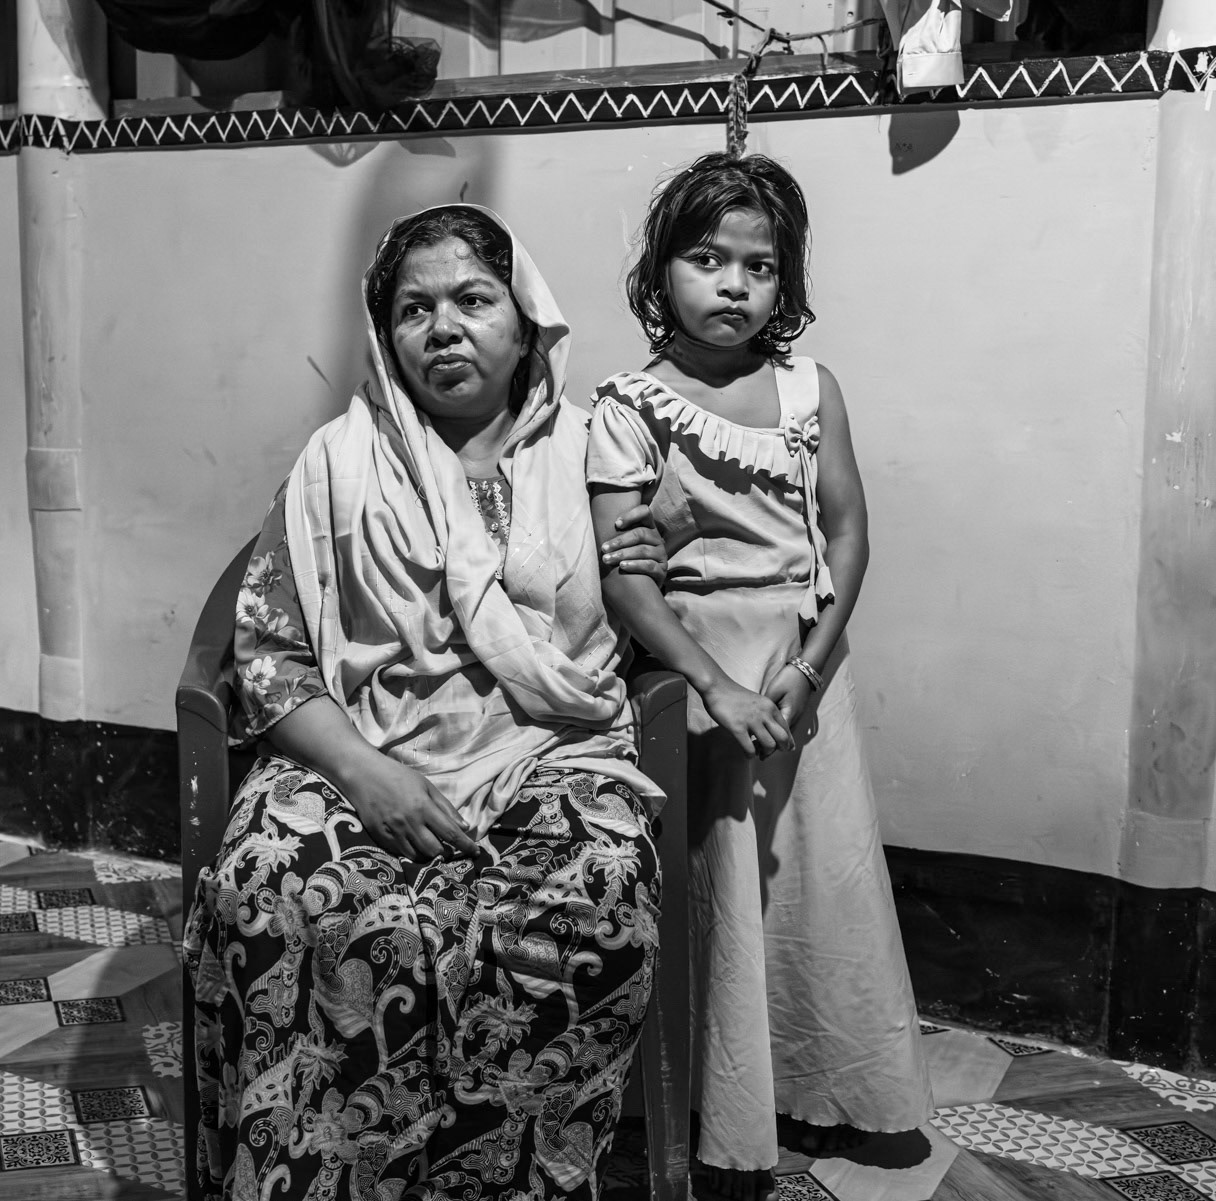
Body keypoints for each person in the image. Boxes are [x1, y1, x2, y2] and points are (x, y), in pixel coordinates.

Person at [185, 204, 671, 1201]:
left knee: (592, 910)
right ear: (384, 334)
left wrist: (657, 552)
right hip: (360, 751)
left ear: (525, 315)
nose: (443, 328)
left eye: (472, 299)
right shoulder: (335, 465)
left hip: (552, 756)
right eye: (414, 309)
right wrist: (372, 778)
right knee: (267, 892)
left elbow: (661, 602)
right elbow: (271, 659)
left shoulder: (597, 460)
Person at [586, 153, 931, 1201]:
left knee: (812, 886)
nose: (734, 284)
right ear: (660, 272)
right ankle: (706, 1096)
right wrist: (712, 686)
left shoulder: (808, 388)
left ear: (787, 282)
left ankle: (815, 1080)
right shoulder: (627, 406)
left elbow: (849, 527)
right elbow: (626, 579)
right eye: (706, 258)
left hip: (798, 671)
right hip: (693, 685)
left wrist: (811, 669)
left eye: (760, 266)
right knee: (716, 893)